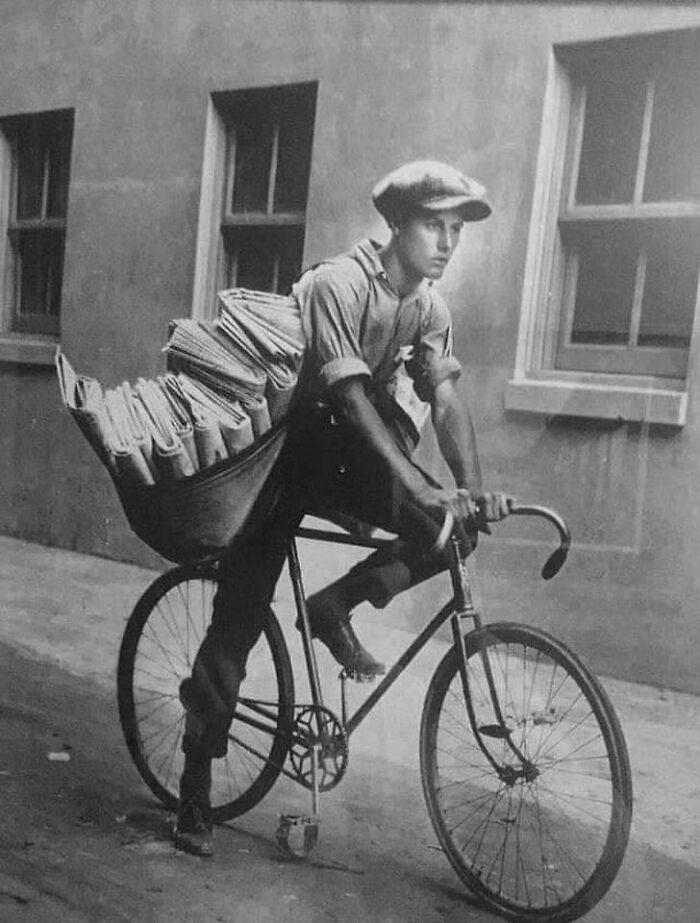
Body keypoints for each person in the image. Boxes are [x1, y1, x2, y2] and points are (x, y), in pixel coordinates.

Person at [173, 160, 512, 856]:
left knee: (453, 533)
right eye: (433, 225)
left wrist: (469, 490)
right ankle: (196, 781)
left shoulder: (428, 307)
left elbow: (445, 400)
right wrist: (417, 485)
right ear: (395, 223)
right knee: (237, 622)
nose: (447, 242)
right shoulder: (339, 283)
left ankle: (335, 605)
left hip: (345, 458)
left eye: (456, 230)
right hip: (282, 458)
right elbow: (353, 400)